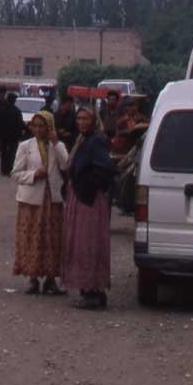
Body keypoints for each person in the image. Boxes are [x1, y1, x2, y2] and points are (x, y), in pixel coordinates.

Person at [62, 107, 115, 309]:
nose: (81, 122)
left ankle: (93, 291)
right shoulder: (83, 140)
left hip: (89, 201)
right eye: (79, 118)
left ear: (94, 121)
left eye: (85, 119)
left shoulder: (95, 141)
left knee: (88, 244)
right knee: (80, 243)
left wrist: (91, 184)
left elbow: (107, 168)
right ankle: (89, 290)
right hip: (81, 198)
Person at [11, 111, 69, 295]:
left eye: (42, 125)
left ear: (49, 127)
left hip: (52, 199)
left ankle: (51, 278)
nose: (37, 129)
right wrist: (34, 175)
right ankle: (32, 278)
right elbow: (16, 173)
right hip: (32, 200)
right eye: (34, 125)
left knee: (53, 238)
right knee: (31, 238)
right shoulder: (25, 146)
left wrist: (56, 143)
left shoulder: (57, 146)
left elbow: (66, 165)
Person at [0, 93, 26, 176]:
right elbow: (20, 124)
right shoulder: (17, 111)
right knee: (12, 153)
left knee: (4, 152)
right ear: (14, 101)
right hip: (14, 136)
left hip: (3, 135)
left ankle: (3, 169)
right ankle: (10, 169)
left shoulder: (2, 110)